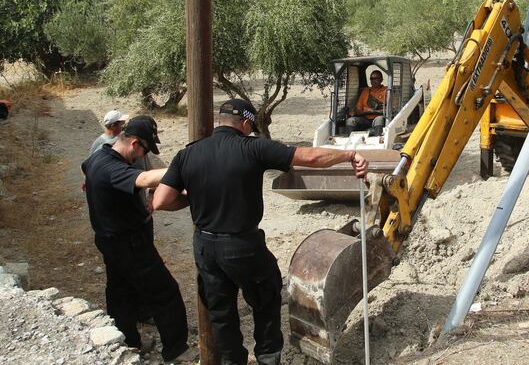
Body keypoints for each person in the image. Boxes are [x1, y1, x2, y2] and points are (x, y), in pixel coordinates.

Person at [153, 99, 368, 365]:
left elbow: (160, 200)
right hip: (243, 245)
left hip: (206, 247)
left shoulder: (188, 154)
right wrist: (349, 155)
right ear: (245, 123)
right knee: (265, 304)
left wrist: (194, 198)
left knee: (221, 315)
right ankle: (267, 359)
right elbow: (310, 156)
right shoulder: (253, 147)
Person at [81, 118, 193, 362]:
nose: (144, 155)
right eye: (145, 149)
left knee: (120, 291)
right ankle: (177, 350)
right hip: (129, 242)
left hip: (109, 239)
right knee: (165, 293)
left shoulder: (99, 157)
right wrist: (188, 168)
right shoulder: (113, 169)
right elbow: (143, 179)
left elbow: (85, 168)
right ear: (134, 143)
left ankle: (128, 342)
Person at [345, 70, 387, 135]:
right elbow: (358, 108)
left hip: (379, 118)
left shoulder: (387, 91)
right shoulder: (366, 91)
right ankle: (350, 141)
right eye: (371, 79)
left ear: (381, 80)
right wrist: (358, 112)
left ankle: (378, 140)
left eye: (376, 78)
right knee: (350, 121)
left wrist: (371, 111)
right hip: (365, 119)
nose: (373, 80)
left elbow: (390, 110)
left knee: (379, 119)